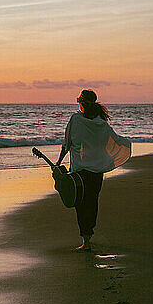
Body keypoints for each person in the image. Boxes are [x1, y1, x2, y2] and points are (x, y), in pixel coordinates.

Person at [55, 89, 131, 251]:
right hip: (96, 172)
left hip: (79, 172)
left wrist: (58, 163)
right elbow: (109, 142)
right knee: (92, 202)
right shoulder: (101, 122)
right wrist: (126, 144)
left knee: (80, 204)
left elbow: (66, 144)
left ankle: (86, 241)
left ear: (81, 103)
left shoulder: (76, 120)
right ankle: (89, 236)